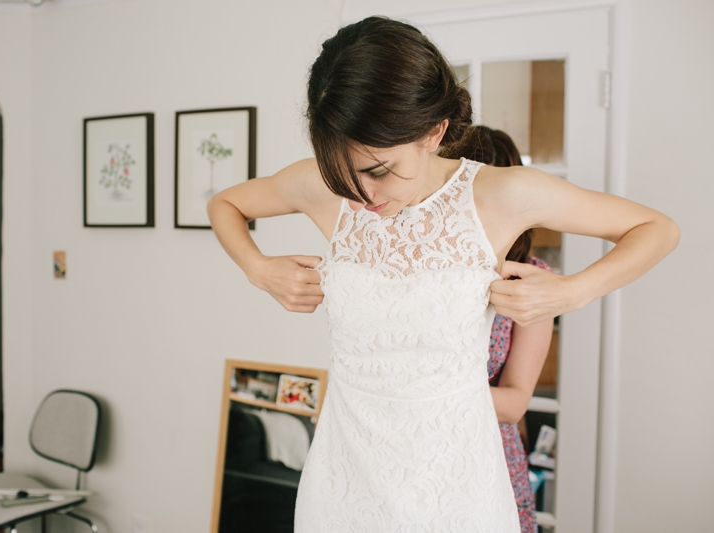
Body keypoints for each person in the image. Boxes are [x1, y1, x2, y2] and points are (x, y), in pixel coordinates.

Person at [207, 16, 679, 532]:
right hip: (346, 477)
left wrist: (572, 292)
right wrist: (259, 268)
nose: (362, 195)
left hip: (455, 482)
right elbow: (225, 203)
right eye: (344, 173)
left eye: (378, 170)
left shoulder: (502, 195)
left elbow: (656, 228)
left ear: (433, 133)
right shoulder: (321, 189)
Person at [456, 125, 554, 533]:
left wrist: (420, 390)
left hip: (486, 451)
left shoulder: (531, 278)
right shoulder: (425, 260)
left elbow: (514, 402)